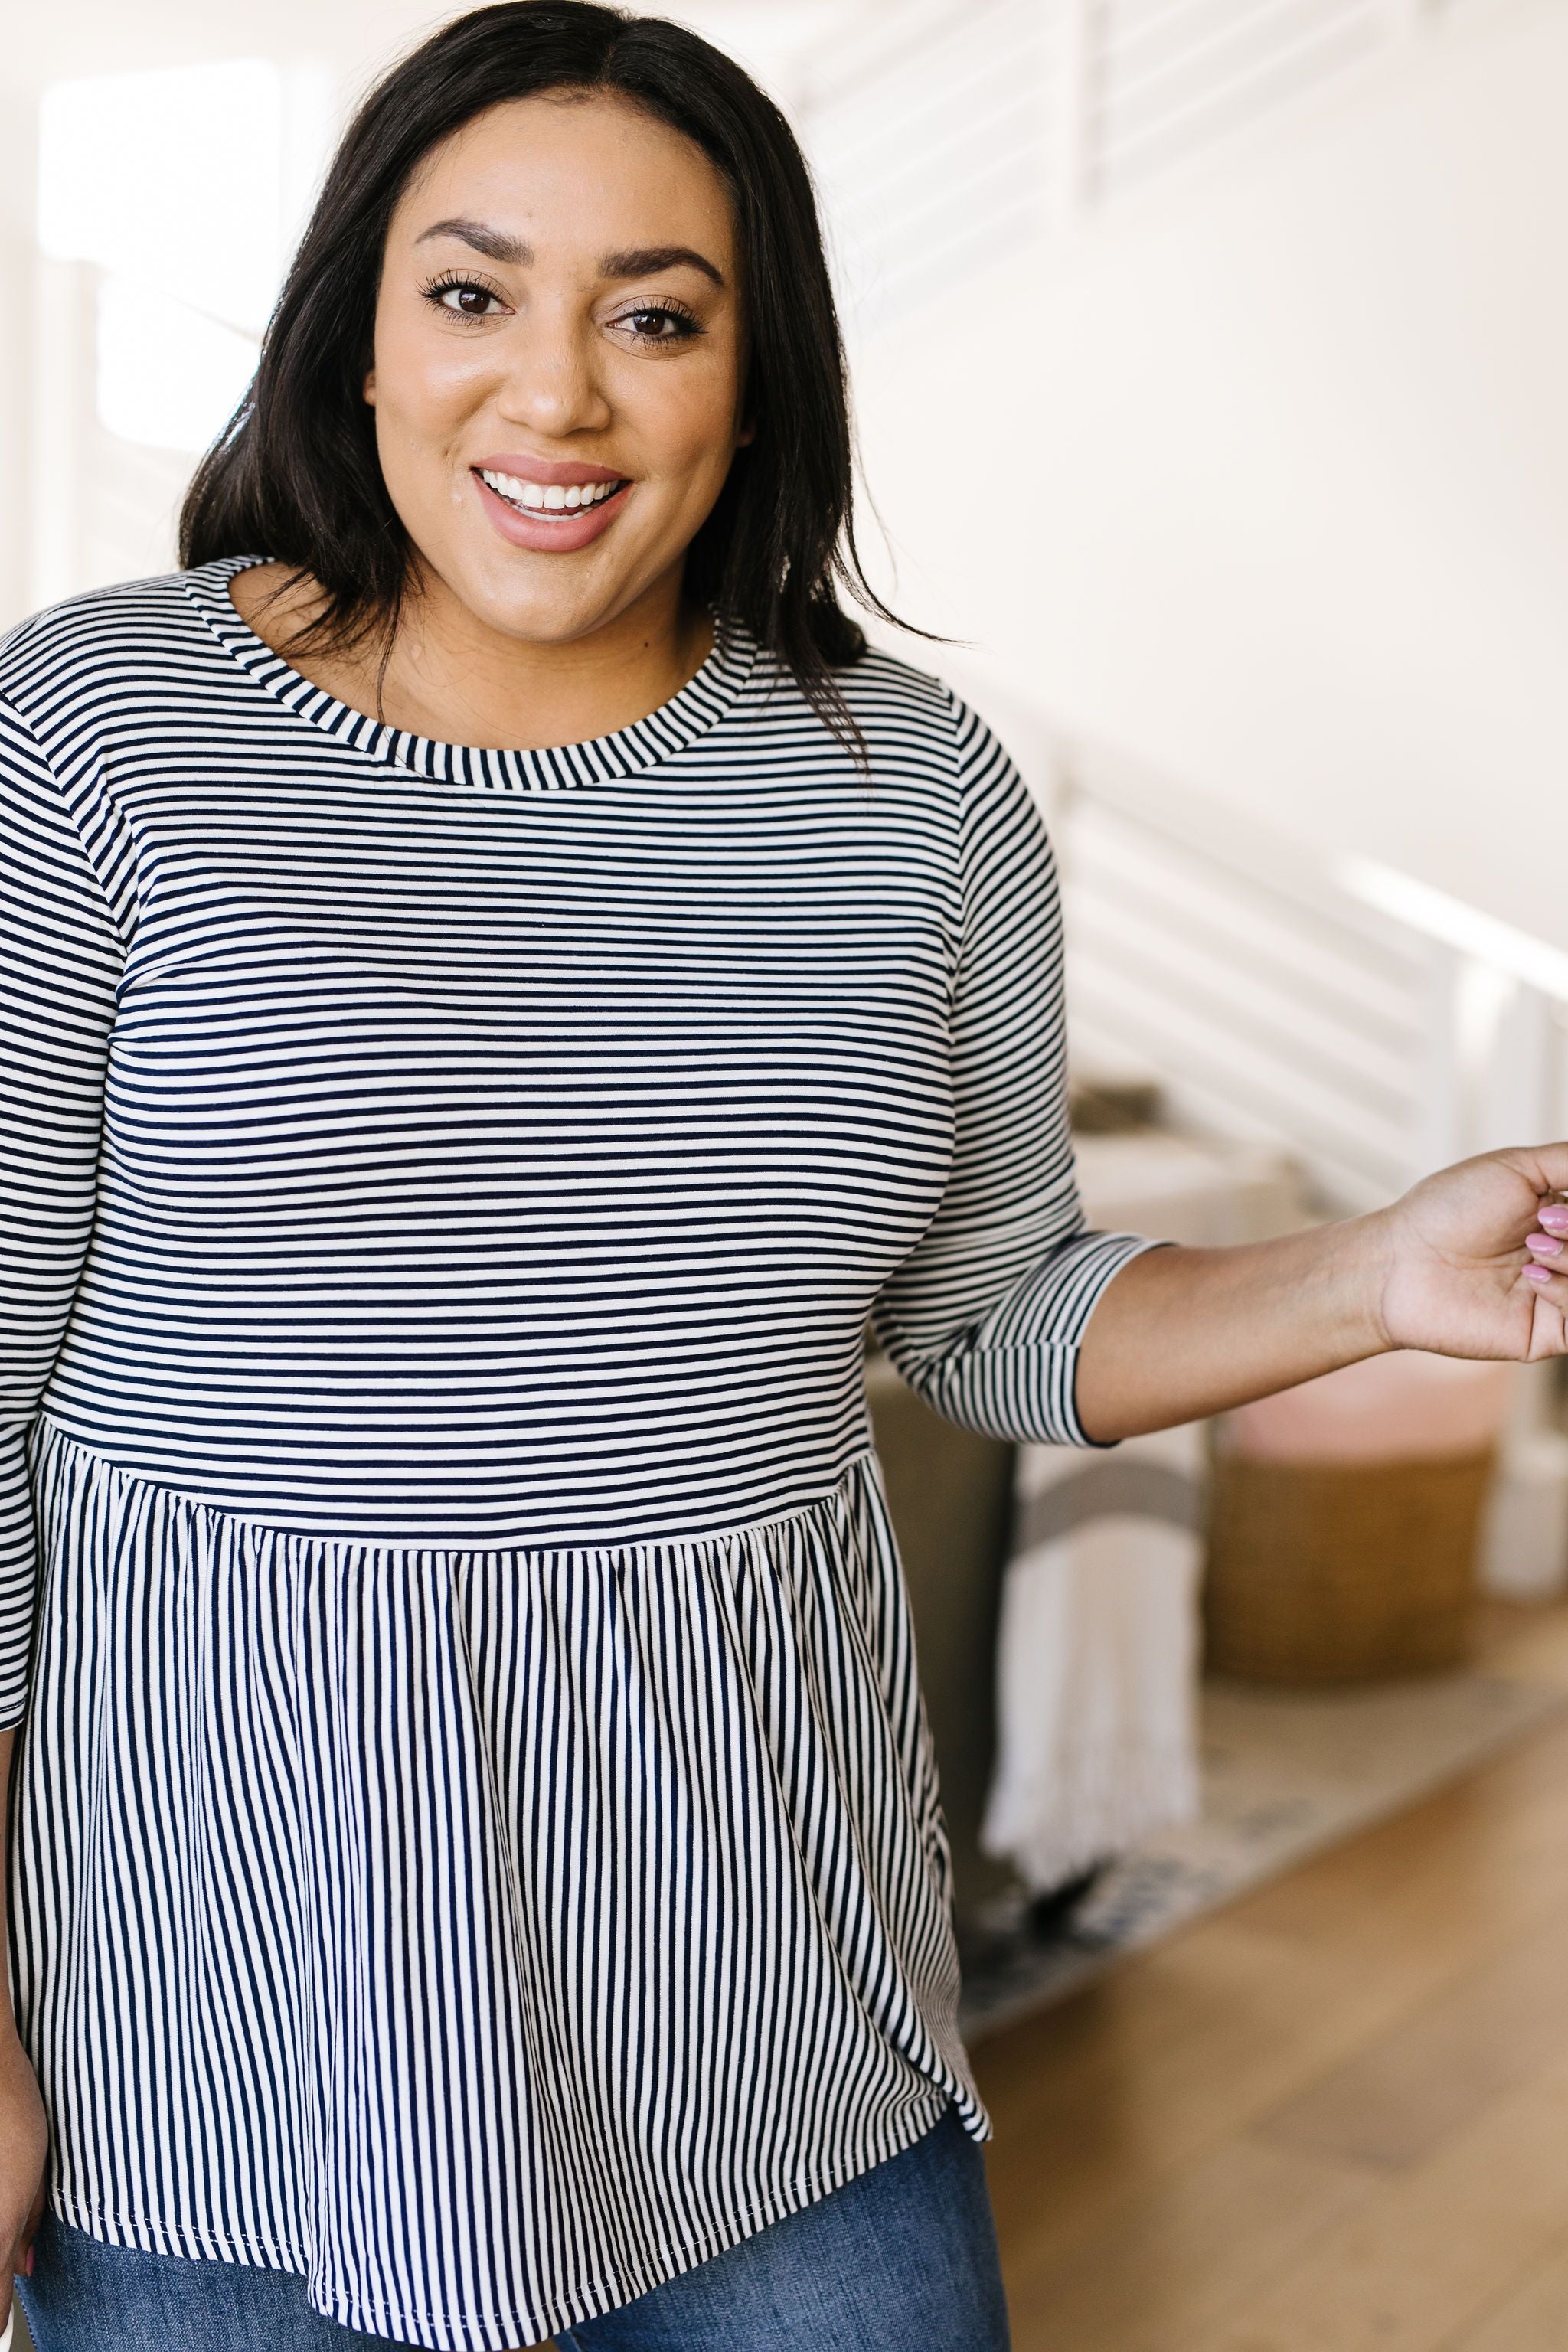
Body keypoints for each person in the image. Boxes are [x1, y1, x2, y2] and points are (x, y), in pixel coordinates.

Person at [0, 4, 1563, 2345]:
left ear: (757, 382)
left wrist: (1375, 1273)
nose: (558, 394)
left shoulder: (917, 791)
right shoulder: (102, 727)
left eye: (656, 314)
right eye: (474, 293)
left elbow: (996, 1306)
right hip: (220, 2043)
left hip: (771, 2023)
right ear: (352, 341)